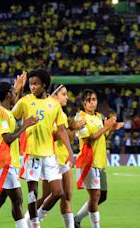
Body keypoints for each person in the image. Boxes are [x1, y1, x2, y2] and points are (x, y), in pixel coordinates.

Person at [12, 69, 74, 227]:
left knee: (58, 192)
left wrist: (70, 152)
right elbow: (11, 115)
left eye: (36, 84)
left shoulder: (54, 104)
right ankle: (34, 223)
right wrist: (17, 91)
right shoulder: (25, 101)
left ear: (44, 85)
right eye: (31, 84)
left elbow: (61, 130)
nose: (32, 87)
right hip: (32, 154)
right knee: (32, 193)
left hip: (49, 156)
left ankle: (37, 216)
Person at [0, 82, 37, 228]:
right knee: (13, 200)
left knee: (3, 200)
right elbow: (7, 138)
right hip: (3, 162)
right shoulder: (0, 112)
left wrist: (18, 88)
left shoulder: (5, 112)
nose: (15, 95)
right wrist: (25, 126)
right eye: (13, 92)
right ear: (8, 94)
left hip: (6, 162)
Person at [34, 84, 86, 228]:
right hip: (53, 158)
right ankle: (30, 219)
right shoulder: (50, 110)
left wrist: (75, 128)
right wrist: (73, 127)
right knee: (48, 196)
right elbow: (55, 137)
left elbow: (65, 137)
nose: (67, 97)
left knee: (67, 196)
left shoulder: (61, 112)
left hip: (63, 158)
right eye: (63, 94)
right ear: (55, 95)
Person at [74, 89, 123, 228]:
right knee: (95, 196)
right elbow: (88, 139)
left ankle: (76, 219)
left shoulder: (98, 116)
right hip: (89, 161)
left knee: (102, 196)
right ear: (83, 102)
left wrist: (110, 129)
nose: (91, 103)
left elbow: (102, 137)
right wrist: (105, 127)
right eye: (88, 100)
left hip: (100, 161)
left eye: (94, 99)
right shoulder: (80, 117)